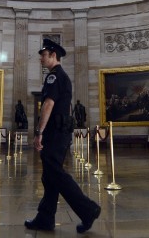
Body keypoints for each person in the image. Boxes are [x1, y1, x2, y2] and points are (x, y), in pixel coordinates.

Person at [25, 39, 101, 234]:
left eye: (43, 54)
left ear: (53, 55)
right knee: (49, 176)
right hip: (60, 133)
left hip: (55, 133)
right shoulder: (61, 77)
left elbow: (48, 105)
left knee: (56, 174)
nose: (40, 58)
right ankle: (45, 218)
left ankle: (88, 209)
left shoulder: (54, 76)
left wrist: (39, 132)